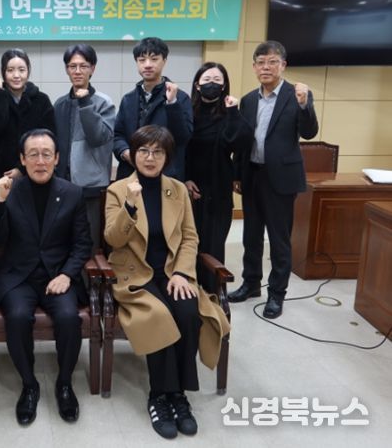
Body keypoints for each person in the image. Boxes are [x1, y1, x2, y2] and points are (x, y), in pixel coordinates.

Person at [104, 125, 230, 440]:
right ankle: (159, 396)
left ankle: (178, 395)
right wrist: (130, 206)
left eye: (157, 152)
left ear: (167, 157)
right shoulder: (118, 190)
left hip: (172, 272)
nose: (150, 158)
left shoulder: (177, 190)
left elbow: (190, 237)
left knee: (187, 313)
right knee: (158, 315)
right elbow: (113, 239)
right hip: (135, 274)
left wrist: (183, 273)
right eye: (144, 151)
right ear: (133, 155)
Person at [0, 129, 92, 426]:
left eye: (47, 154)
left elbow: (83, 243)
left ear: (57, 158)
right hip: (18, 276)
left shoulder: (72, 193)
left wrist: (67, 274)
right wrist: (0, 203)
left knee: (69, 317)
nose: (40, 161)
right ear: (22, 159)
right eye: (33, 154)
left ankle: (64, 383)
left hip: (58, 274)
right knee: (18, 316)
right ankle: (29, 384)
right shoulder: (11, 191)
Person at [228, 41, 318, 319]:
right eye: (261, 62)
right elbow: (243, 141)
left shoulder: (297, 95)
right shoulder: (248, 100)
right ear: (254, 67)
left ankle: (277, 295)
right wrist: (237, 174)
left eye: (272, 62)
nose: (266, 67)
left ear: (283, 65)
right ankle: (251, 284)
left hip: (281, 178)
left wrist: (304, 105)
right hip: (252, 174)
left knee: (279, 240)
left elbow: (309, 132)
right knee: (251, 236)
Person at [184, 62, 253, 293]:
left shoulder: (229, 112)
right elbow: (180, 147)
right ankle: (189, 285)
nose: (211, 84)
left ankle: (212, 289)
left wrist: (233, 111)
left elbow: (240, 142)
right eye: (206, 80)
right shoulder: (187, 110)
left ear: (224, 86)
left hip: (218, 186)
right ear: (197, 84)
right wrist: (185, 179)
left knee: (214, 240)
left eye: (217, 80)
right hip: (190, 185)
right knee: (190, 237)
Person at [53, 44, 116, 251]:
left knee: (89, 244)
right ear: (66, 69)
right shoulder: (60, 104)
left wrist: (85, 102)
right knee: (63, 242)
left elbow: (97, 138)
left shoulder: (103, 102)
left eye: (83, 66)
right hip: (63, 185)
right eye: (72, 66)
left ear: (92, 69)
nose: (78, 71)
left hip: (91, 187)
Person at [113, 37, 193, 181]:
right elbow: (118, 135)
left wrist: (172, 103)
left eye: (154, 59)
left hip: (166, 175)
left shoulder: (180, 98)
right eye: (142, 60)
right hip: (131, 173)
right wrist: (126, 153)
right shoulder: (128, 99)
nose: (148, 65)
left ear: (164, 61)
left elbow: (183, 138)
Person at [0, 48, 56, 192]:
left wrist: (22, 169)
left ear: (28, 72)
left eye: (21, 70)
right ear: (3, 72)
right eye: (10, 70)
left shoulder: (41, 100)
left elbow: (50, 140)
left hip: (33, 172)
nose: (16, 75)